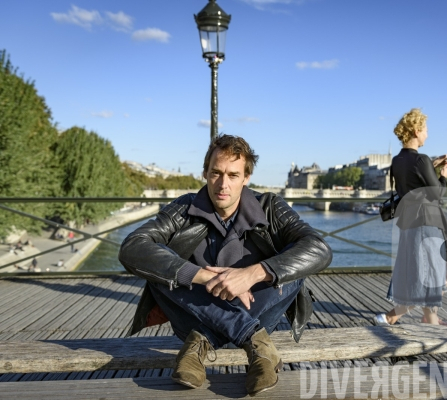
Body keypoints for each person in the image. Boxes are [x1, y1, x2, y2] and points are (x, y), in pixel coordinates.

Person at [119, 134, 332, 396]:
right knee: (160, 268)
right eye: (216, 173)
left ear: (246, 178)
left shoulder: (271, 207)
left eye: (232, 175)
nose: (223, 184)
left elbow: (318, 248)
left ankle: (205, 340)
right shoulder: (183, 208)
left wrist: (253, 274)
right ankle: (256, 344)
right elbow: (133, 246)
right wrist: (202, 276)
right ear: (205, 173)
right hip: (224, 324)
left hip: (250, 312)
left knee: (290, 266)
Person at [374, 108, 447, 326]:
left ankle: (430, 318)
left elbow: (412, 181)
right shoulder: (422, 160)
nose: (427, 134)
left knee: (422, 271)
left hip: (408, 222)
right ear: (416, 131)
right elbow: (436, 193)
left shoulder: (397, 160)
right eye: (425, 130)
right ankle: (389, 317)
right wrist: (444, 175)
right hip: (427, 223)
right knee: (429, 274)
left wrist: (431, 165)